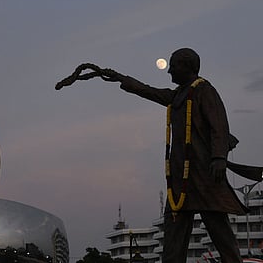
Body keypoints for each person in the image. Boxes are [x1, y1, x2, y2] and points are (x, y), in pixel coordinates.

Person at [99, 48, 246, 262]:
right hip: (180, 179)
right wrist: (121, 78)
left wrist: (219, 158)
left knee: (219, 231)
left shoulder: (204, 90)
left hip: (205, 175)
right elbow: (150, 91)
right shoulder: (178, 95)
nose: (169, 71)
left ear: (188, 67)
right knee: (173, 237)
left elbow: (219, 126)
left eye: (173, 65)